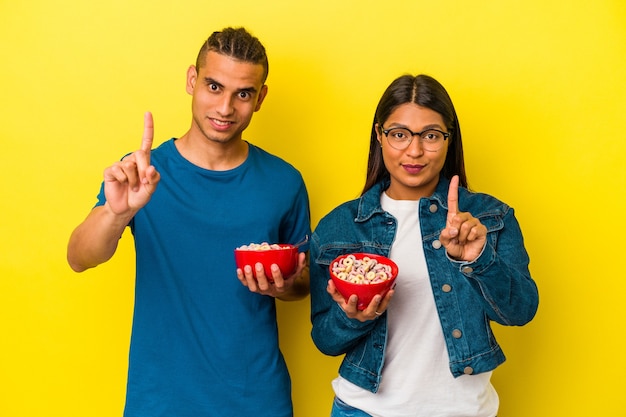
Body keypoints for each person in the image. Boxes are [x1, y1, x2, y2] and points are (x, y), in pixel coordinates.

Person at [67, 27, 311, 417]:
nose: (226, 108)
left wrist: (283, 285)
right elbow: (79, 257)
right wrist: (117, 212)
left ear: (260, 98)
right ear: (192, 80)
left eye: (243, 94)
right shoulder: (142, 174)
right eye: (214, 87)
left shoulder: (284, 182)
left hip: (257, 399)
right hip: (160, 399)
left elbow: (303, 283)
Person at [309, 74, 539, 417]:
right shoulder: (339, 227)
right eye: (399, 134)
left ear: (448, 139)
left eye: (430, 136)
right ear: (379, 136)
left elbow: (521, 311)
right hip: (363, 410)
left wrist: (478, 260)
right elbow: (324, 340)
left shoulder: (489, 217)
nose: (414, 151)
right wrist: (352, 318)